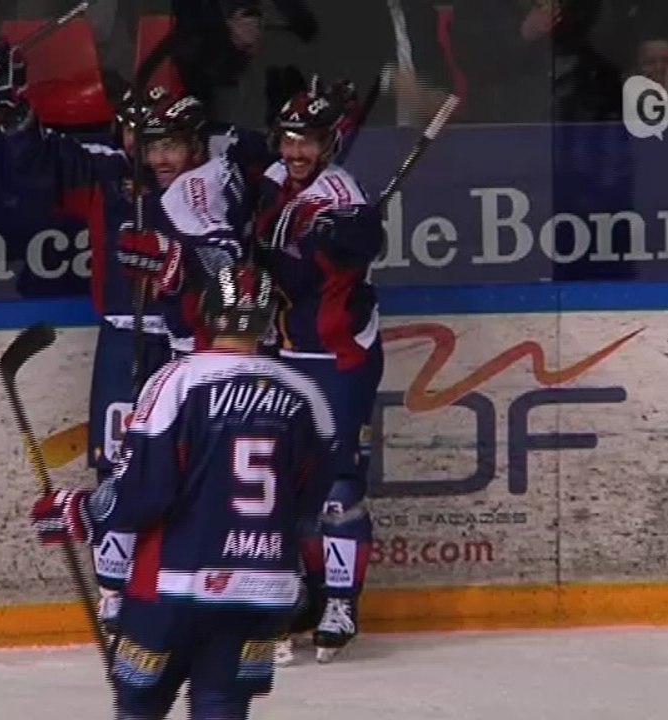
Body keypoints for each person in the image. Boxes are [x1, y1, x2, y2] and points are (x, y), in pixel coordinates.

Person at [0, 39, 252, 633]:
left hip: (187, 348)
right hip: (124, 339)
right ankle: (116, 590)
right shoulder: (110, 171)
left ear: (196, 143)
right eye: (146, 141)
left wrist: (179, 259)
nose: (156, 156)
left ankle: (198, 582)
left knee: (193, 466)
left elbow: (228, 262)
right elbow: (41, 161)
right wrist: (15, 114)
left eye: (168, 143)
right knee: (118, 463)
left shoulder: (214, 182)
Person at [28, 263, 338, 720]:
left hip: (176, 584)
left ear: (207, 313)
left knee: (141, 704)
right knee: (222, 704)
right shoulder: (306, 396)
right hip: (263, 588)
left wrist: (80, 511)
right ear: (270, 318)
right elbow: (309, 505)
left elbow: (144, 492)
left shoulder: (176, 382)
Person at [252, 76, 385, 664]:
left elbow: (360, 245)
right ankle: (301, 595)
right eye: (288, 139)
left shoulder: (344, 197)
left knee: (337, 487)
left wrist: (332, 236)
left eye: (307, 141)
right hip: (283, 352)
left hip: (339, 357)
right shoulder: (277, 180)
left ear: (330, 144)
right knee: (285, 484)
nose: (294, 152)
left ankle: (341, 600)